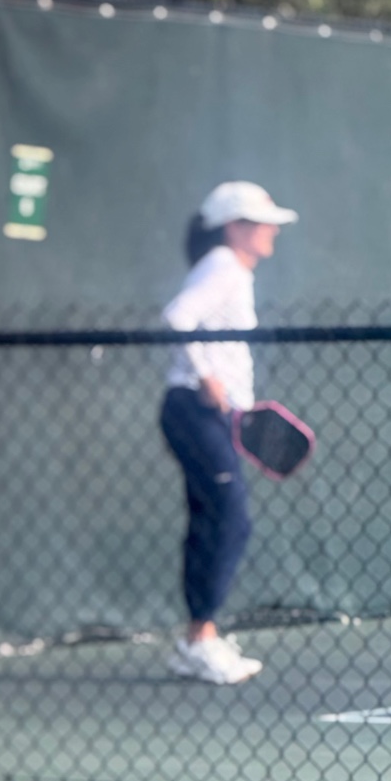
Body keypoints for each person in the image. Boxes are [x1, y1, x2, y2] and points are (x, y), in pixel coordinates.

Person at [160, 180, 297, 685]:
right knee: (231, 516)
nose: (273, 233)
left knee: (209, 518)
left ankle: (198, 638)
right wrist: (206, 375)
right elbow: (177, 317)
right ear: (236, 227)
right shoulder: (223, 266)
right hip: (194, 410)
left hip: (209, 415)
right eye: (265, 224)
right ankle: (201, 638)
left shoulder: (231, 269)